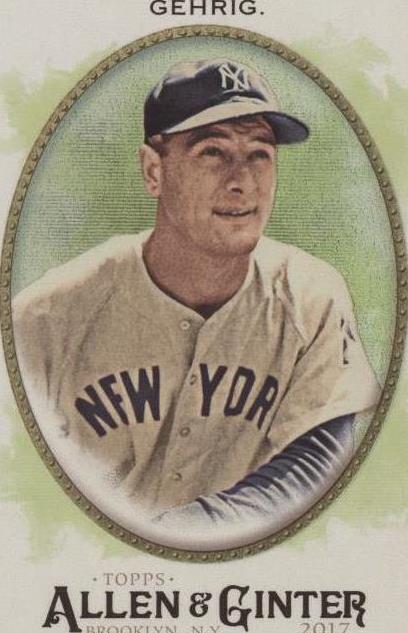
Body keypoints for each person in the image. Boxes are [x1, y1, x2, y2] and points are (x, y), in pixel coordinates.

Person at [13, 59, 380, 545]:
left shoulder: (312, 297)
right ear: (153, 171)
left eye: (259, 155)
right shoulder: (46, 317)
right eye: (212, 152)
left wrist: (179, 535)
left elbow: (318, 462)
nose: (242, 181)